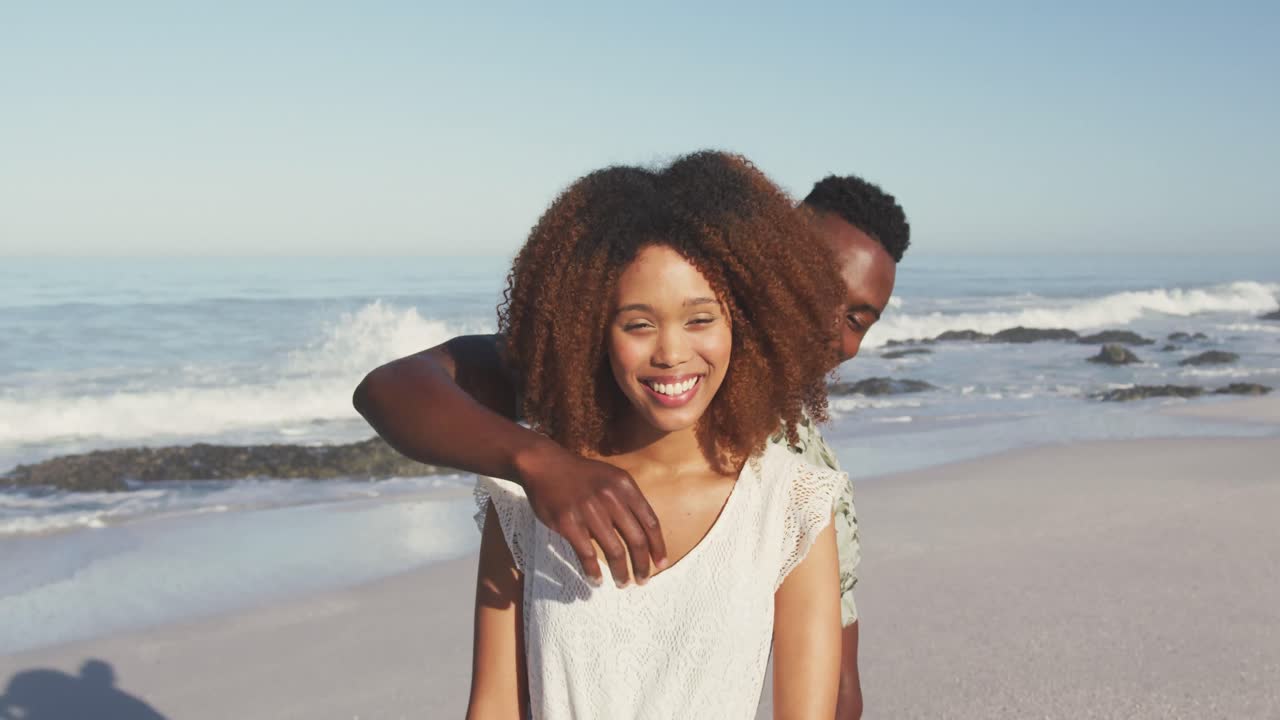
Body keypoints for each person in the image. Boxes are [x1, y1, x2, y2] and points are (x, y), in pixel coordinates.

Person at [354, 166, 909, 718]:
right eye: (639, 324)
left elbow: (835, 692)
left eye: (856, 317)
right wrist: (537, 463)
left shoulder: (801, 491)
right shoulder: (540, 468)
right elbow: (392, 388)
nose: (821, 323)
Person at [466, 150, 848, 718]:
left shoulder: (792, 506)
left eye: (700, 319)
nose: (671, 353)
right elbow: (494, 707)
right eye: (639, 324)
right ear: (592, 329)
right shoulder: (527, 496)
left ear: (746, 323)